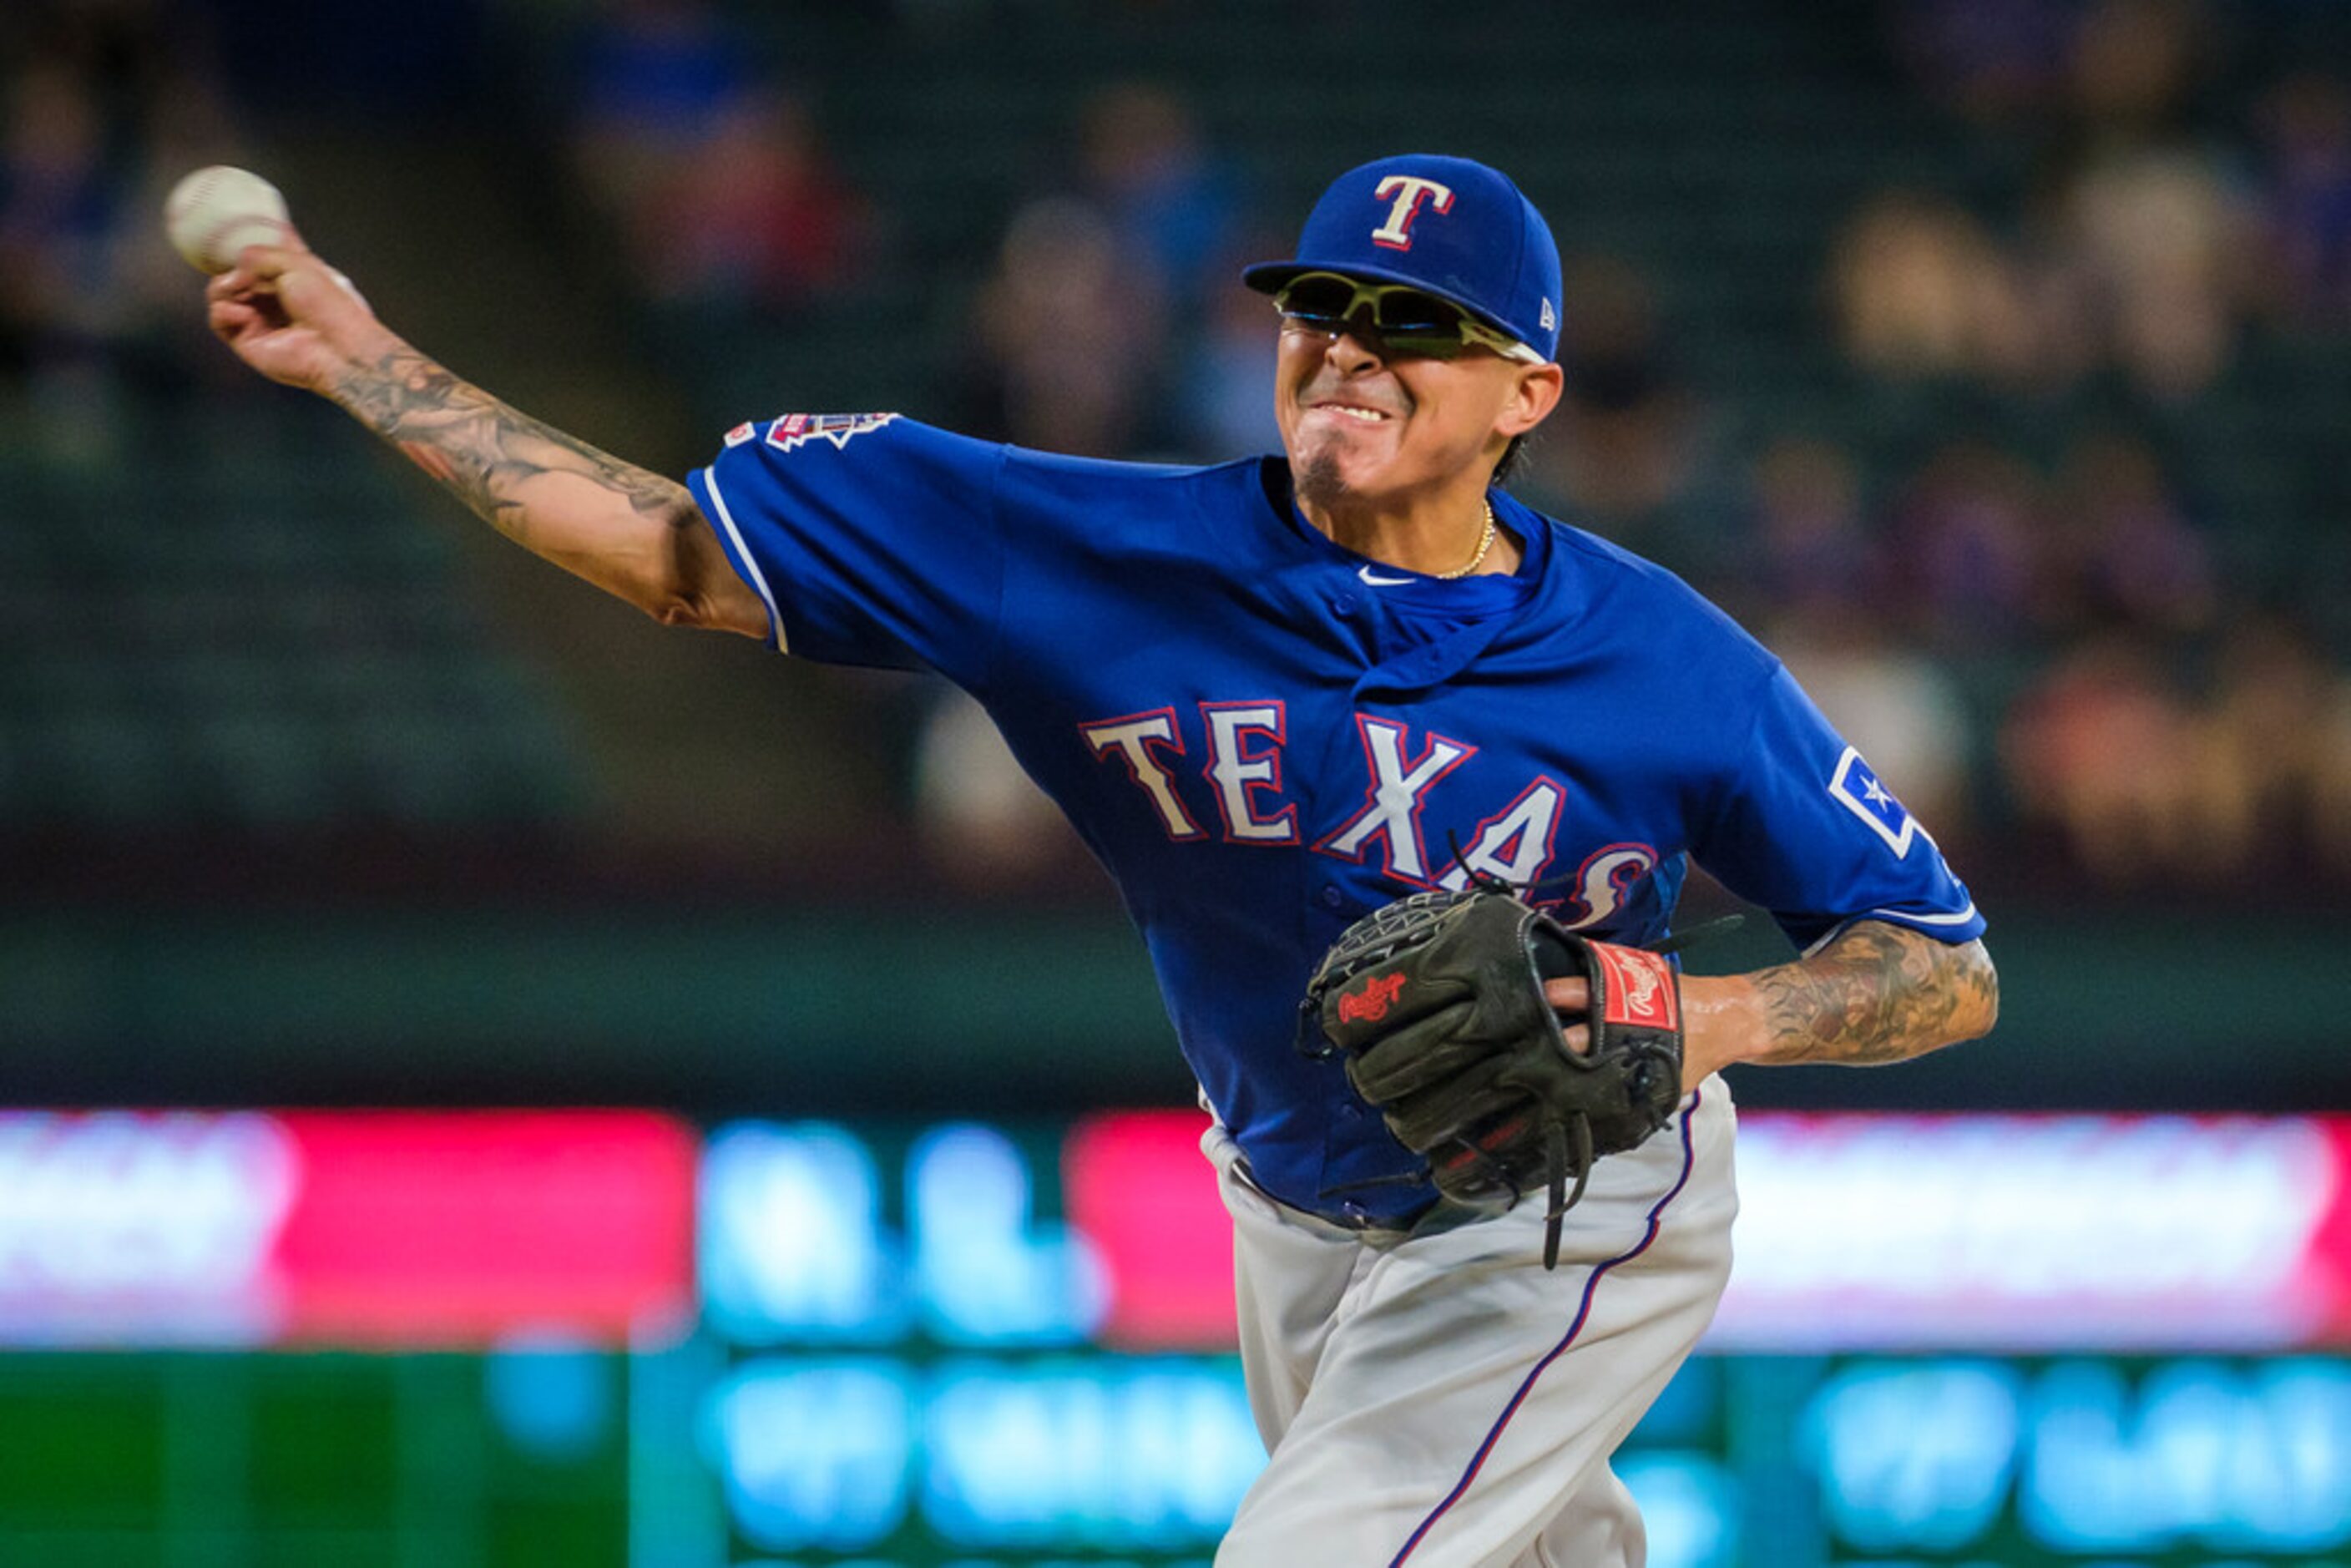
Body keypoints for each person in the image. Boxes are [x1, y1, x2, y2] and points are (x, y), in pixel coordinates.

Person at [205, 153, 1998, 1567]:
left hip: (1575, 1188)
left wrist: (1692, 1014)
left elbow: (1937, 960)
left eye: (1415, 320)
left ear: (1525, 389)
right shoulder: (1087, 554)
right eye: (1326, 302)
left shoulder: (1661, 662)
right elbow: (680, 554)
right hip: (1291, 1205)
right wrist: (363, 360)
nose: (1354, 342)